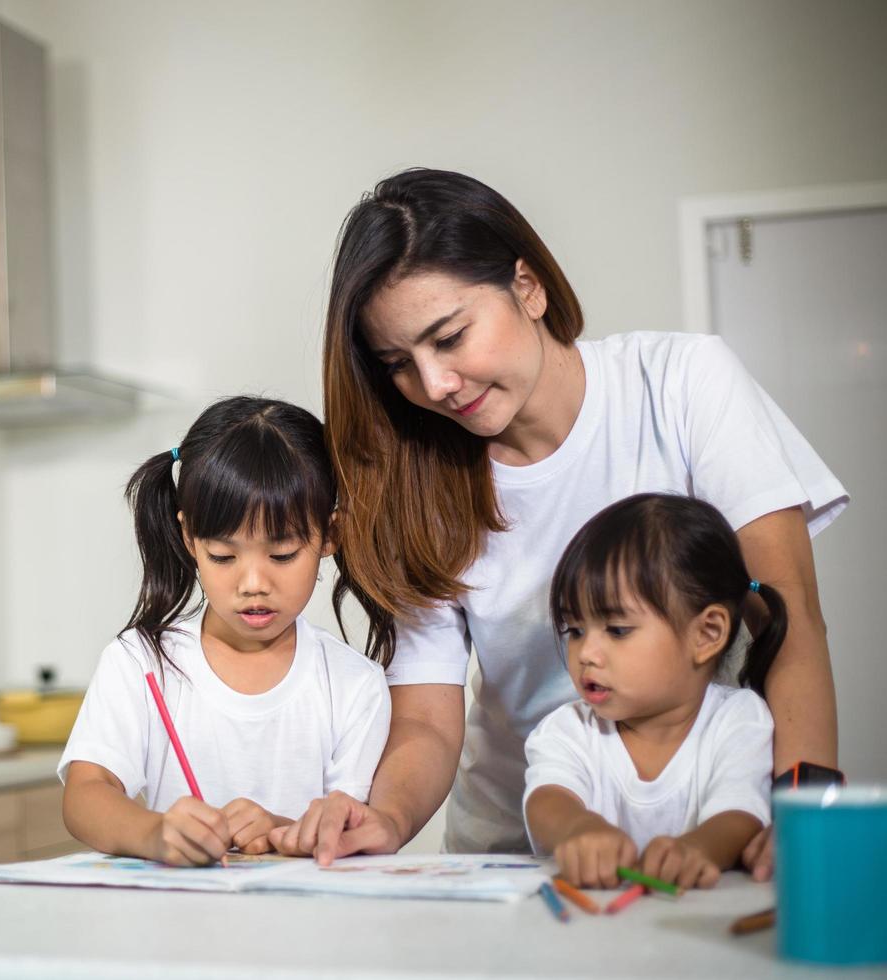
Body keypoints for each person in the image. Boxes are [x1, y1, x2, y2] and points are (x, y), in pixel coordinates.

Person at [271, 168, 845, 875]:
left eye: (449, 337)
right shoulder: (417, 484)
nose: (434, 385)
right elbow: (425, 716)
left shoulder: (683, 383)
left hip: (696, 840)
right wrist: (385, 816)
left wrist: (804, 813)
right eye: (399, 363)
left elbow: (788, 621)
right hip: (516, 854)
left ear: (528, 287)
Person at [60, 396, 391, 866]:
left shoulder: (355, 686)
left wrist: (280, 829)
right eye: (222, 556)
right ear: (188, 538)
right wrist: (154, 833)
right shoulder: (140, 662)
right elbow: (85, 795)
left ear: (329, 536)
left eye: (281, 555)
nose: (253, 584)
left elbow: (348, 830)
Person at [524, 494, 780, 889]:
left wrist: (701, 848)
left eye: (617, 630)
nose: (586, 654)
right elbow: (546, 799)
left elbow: (741, 811)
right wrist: (577, 828)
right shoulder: (568, 729)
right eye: (575, 631)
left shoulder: (739, 719)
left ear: (707, 634)